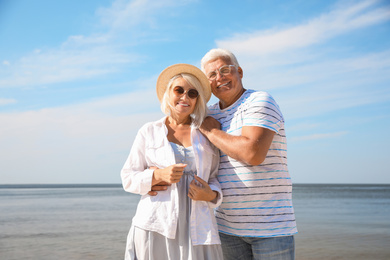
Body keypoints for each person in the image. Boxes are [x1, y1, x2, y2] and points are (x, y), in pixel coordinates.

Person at [199, 48, 298, 260]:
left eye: (225, 70)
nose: (220, 78)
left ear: (240, 72)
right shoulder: (209, 113)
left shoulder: (260, 101)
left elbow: (252, 153)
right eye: (212, 75)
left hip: (271, 228)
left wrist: (211, 130)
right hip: (227, 227)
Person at [120, 63, 224, 260]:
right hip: (156, 223)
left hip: (198, 227)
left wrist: (211, 194)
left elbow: (215, 177)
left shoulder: (207, 133)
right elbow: (128, 178)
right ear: (169, 93)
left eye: (192, 93)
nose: (185, 97)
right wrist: (156, 175)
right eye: (179, 90)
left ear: (197, 100)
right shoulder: (148, 131)